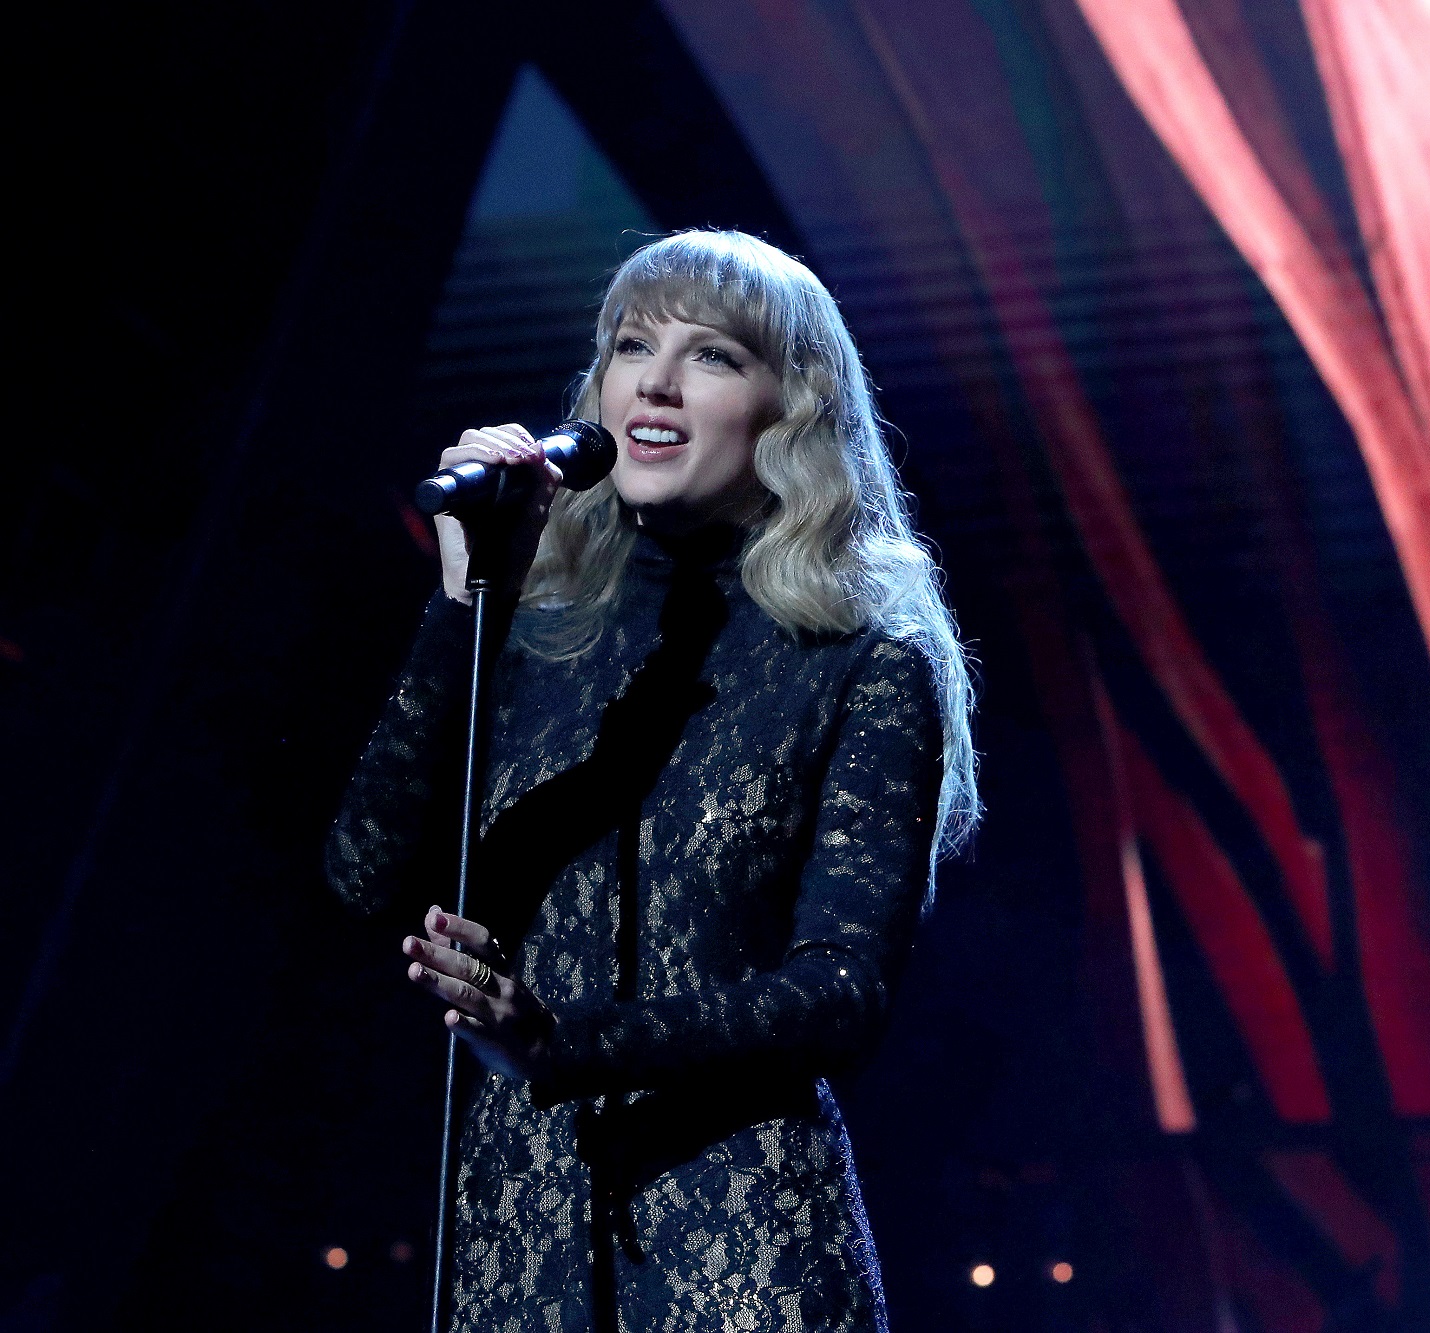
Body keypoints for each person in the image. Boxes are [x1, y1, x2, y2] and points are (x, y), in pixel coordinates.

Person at [325, 229, 978, 1331]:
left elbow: (840, 994)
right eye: (632, 345)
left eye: (713, 355)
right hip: (514, 1251)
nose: (656, 381)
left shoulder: (862, 657)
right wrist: (461, 607)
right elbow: (361, 874)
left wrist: (558, 1041)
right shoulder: (531, 633)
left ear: (794, 406)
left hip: (735, 1248)